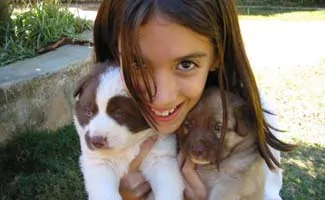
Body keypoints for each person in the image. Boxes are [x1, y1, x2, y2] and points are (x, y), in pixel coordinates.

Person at [92, 0, 296, 199]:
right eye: (137, 63)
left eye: (186, 64)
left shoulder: (250, 111)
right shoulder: (104, 109)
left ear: (218, 54)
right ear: (114, 55)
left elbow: (266, 193)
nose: (161, 98)